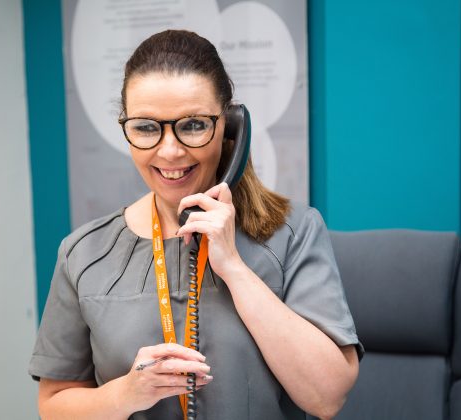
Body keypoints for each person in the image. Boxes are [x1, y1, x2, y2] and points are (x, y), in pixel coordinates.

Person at [29, 29, 362, 420]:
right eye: (145, 127)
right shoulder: (83, 252)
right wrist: (125, 395)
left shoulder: (293, 231)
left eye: (192, 125)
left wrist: (235, 269)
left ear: (231, 127)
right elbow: (53, 405)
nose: (170, 151)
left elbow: (328, 397)